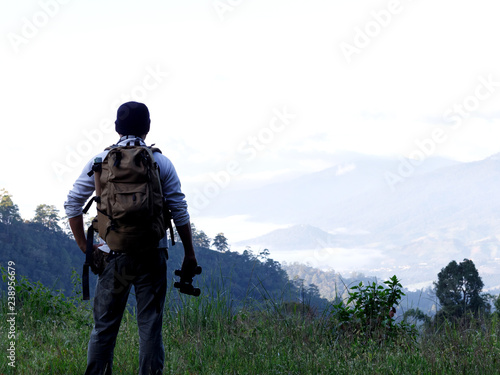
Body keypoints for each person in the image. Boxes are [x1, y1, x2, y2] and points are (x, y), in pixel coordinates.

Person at [64, 101, 198, 375]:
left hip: (113, 254)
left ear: (116, 128)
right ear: (148, 127)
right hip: (152, 254)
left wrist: (84, 245)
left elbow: (72, 204)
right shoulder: (160, 162)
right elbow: (179, 210)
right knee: (150, 325)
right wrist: (189, 253)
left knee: (104, 328)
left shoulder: (100, 161)